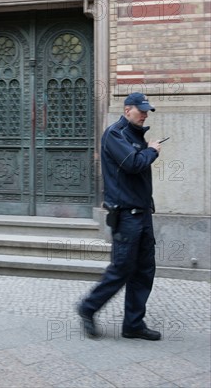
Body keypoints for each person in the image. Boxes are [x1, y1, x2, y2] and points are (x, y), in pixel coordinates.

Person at [77, 92, 162, 341]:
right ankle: (87, 308)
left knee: (144, 271)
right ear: (127, 110)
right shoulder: (115, 134)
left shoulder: (135, 136)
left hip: (143, 215)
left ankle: (133, 324)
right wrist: (152, 151)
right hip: (126, 217)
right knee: (121, 269)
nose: (145, 114)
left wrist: (146, 148)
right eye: (141, 110)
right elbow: (133, 164)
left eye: (147, 110)